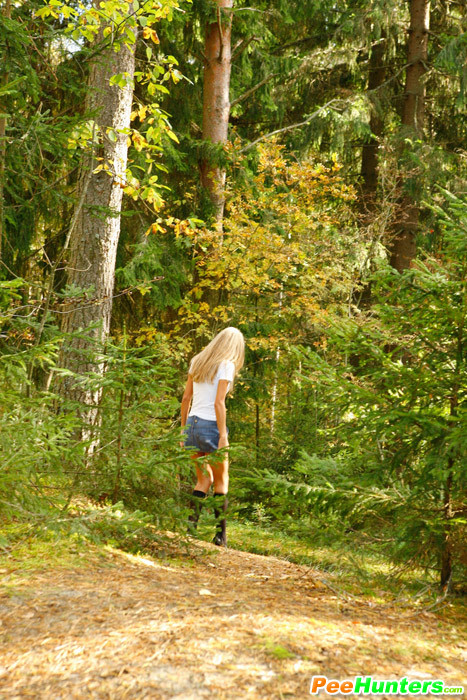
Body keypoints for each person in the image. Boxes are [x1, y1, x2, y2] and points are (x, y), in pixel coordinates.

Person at [180, 327, 245, 546]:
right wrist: (223, 435)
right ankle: (221, 537)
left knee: (202, 479)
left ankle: (190, 530)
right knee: (221, 481)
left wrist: (182, 430)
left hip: (192, 425)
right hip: (211, 426)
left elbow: (186, 398)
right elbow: (219, 402)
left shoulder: (197, 360)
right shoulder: (226, 364)